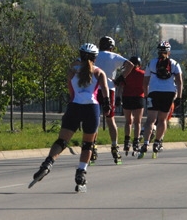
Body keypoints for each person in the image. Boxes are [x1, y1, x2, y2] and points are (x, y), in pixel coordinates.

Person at [30, 43, 110, 191]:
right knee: (87, 144)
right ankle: (81, 174)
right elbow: (105, 92)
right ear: (95, 57)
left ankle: (47, 164)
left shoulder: (72, 72)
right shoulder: (99, 73)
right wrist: (107, 106)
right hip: (91, 108)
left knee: (62, 141)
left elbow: (71, 93)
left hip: (74, 106)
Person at [91, 36, 134, 164]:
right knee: (110, 119)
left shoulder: (95, 55)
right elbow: (130, 65)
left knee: (95, 120)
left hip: (94, 89)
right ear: (112, 47)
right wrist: (121, 78)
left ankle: (93, 147)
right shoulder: (114, 56)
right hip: (109, 89)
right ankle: (115, 147)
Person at [138, 41, 183, 158]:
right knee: (162, 120)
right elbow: (179, 82)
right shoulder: (175, 64)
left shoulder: (151, 63)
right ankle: (157, 142)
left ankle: (146, 143)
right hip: (168, 93)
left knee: (150, 120)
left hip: (154, 92)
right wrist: (179, 97)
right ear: (169, 52)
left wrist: (147, 96)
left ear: (158, 51)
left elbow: (145, 83)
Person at [119, 56, 145, 155]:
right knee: (137, 122)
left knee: (128, 121)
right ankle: (136, 142)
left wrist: (119, 97)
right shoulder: (142, 74)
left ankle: (126, 141)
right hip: (138, 98)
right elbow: (146, 85)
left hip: (127, 97)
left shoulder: (126, 74)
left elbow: (121, 86)